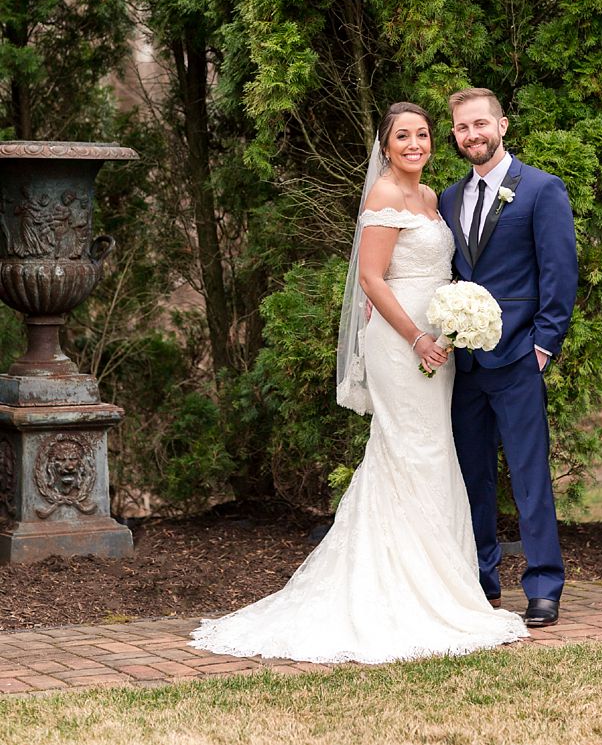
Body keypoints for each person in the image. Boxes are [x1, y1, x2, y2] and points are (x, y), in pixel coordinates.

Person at [191, 102, 528, 662]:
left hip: (436, 342)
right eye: (403, 136)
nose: (415, 144)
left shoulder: (430, 198)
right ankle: (405, 592)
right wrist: (417, 337)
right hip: (403, 345)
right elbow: (372, 278)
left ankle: (440, 585)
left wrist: (450, 325)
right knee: (412, 450)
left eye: (422, 134)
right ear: (385, 145)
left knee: (428, 452)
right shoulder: (386, 196)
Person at [441, 86, 577, 628]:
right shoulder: (449, 199)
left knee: (528, 475)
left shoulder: (541, 190)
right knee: (472, 477)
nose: (471, 135)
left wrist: (542, 345)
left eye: (480, 124)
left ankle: (544, 585)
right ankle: (482, 580)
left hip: (519, 356)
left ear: (502, 126)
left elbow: (559, 272)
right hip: (464, 367)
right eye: (461, 128)